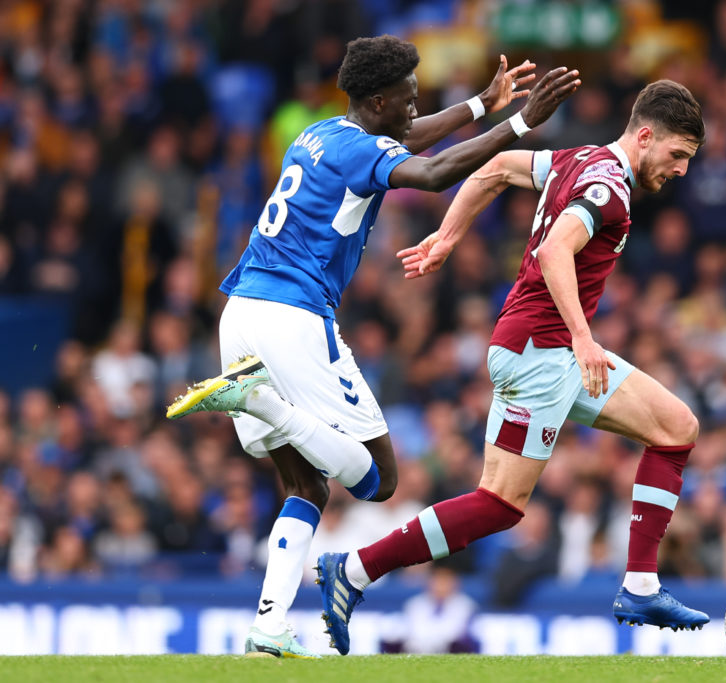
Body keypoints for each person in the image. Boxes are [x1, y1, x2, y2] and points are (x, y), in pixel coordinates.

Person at [165, 34, 580, 659]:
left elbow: (404, 140)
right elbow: (433, 172)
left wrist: (479, 105)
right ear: (379, 99)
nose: (416, 109)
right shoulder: (360, 149)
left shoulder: (324, 133)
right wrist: (520, 122)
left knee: (305, 487)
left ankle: (269, 627)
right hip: (293, 317)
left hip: (242, 312)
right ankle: (262, 402)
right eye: (409, 100)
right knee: (379, 480)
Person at [314, 79, 709, 656]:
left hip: (540, 348)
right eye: (677, 155)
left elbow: (497, 167)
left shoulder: (580, 160)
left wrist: (448, 235)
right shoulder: (608, 189)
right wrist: (582, 337)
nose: (680, 170)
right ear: (645, 137)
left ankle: (641, 585)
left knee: (677, 428)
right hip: (541, 353)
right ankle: (353, 570)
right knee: (499, 503)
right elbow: (554, 252)